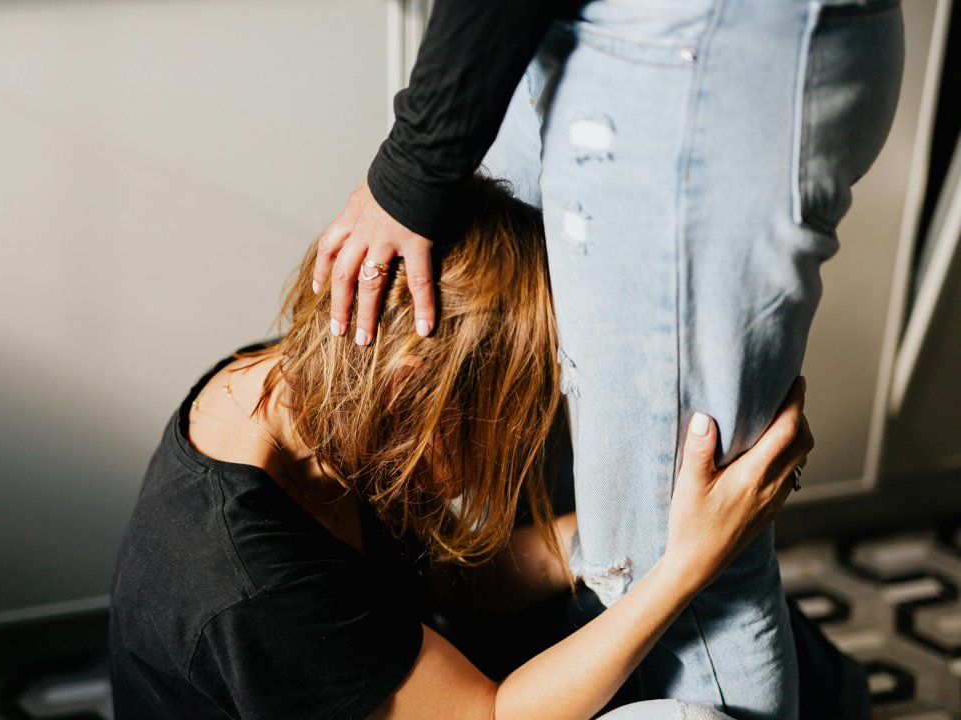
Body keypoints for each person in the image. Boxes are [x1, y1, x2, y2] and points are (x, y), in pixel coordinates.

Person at [313, 1, 903, 715]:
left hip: (684, 45)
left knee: (685, 550)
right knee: (561, 465)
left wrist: (415, 161)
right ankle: (831, 696)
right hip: (548, 33)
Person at [108, 176, 815, 719]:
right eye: (511, 417)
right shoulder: (252, 588)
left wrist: (635, 536)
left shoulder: (310, 383)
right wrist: (686, 566)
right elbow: (489, 714)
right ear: (408, 393)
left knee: (773, 639)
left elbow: (446, 580)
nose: (521, 442)